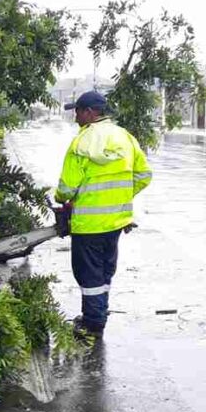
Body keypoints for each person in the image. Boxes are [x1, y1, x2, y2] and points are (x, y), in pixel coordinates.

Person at [56, 91, 152, 338]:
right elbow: (143, 176)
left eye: (77, 111)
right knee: (105, 271)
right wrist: (119, 197)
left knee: (89, 275)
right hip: (116, 222)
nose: (75, 116)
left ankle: (92, 324)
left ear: (89, 112)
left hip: (88, 225)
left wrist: (61, 199)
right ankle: (98, 312)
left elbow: (67, 188)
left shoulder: (81, 142)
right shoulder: (125, 137)